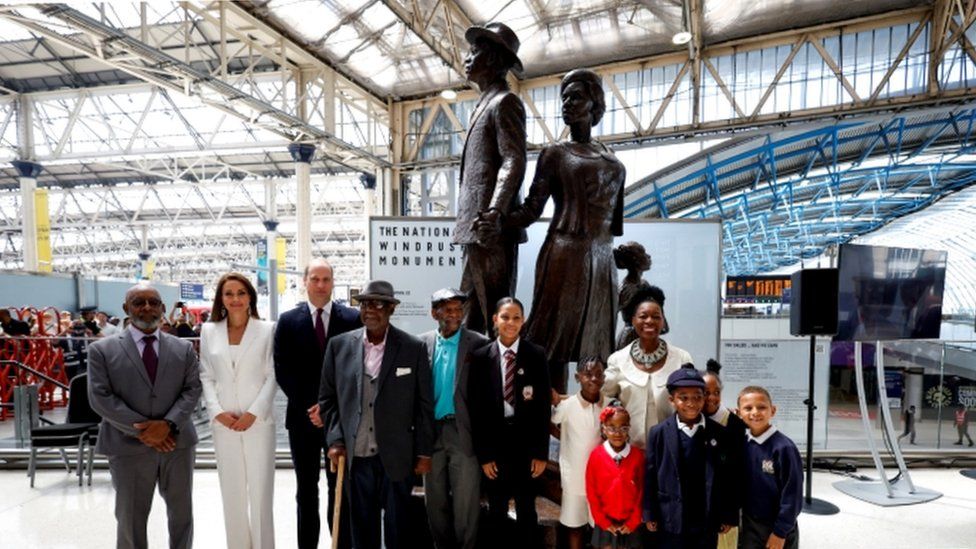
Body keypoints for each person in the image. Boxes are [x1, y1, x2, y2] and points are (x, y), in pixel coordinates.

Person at [507, 68, 625, 391]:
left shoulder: (614, 161)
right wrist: (498, 216)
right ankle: (549, 417)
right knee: (554, 345)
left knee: (597, 345)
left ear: (594, 103)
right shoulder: (554, 154)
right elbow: (532, 208)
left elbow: (615, 225)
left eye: (576, 96)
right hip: (565, 254)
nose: (567, 103)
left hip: (602, 261)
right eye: (565, 98)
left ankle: (596, 422)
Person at [318, 280, 435, 549]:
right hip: (356, 458)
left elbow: (423, 405)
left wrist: (424, 452)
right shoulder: (339, 346)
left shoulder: (412, 348)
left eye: (378, 304)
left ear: (391, 309)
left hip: (397, 457)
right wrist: (335, 439)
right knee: (362, 527)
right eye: (365, 304)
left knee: (398, 528)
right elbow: (327, 399)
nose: (370, 309)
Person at [86, 284, 202, 549]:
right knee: (131, 518)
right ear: (127, 308)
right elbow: (100, 397)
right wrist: (145, 430)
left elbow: (193, 389)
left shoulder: (183, 349)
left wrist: (168, 425)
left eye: (154, 302)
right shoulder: (101, 350)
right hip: (127, 446)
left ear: (162, 308)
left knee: (182, 514)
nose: (147, 307)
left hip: (177, 443)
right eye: (139, 302)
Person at [274, 258, 361, 549]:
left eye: (326, 279)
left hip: (340, 419)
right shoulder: (288, 321)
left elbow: (356, 369)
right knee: (306, 491)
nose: (321, 285)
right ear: (305, 281)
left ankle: (341, 543)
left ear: (333, 282)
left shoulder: (352, 319)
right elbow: (283, 369)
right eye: (315, 279)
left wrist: (329, 408)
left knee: (341, 490)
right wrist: (312, 407)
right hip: (302, 420)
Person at [454, 22, 527, 335]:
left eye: (475, 51)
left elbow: (514, 158)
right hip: (477, 226)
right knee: (470, 309)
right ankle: (473, 378)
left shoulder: (505, 102)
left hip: (490, 227)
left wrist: (496, 211)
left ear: (496, 60)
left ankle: (500, 379)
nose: (468, 58)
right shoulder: (482, 105)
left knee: (497, 314)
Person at [199, 273, 277, 549]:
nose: (235, 299)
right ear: (221, 298)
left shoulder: (267, 329)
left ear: (250, 298)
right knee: (231, 492)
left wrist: (254, 412)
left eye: (241, 293)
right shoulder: (209, 331)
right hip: (224, 423)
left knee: (260, 492)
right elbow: (206, 374)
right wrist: (217, 411)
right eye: (228, 294)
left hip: (257, 423)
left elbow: (272, 375)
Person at [468, 297, 551, 547]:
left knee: (527, 509)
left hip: (526, 447)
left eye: (516, 317)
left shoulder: (536, 355)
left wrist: (540, 453)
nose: (510, 323)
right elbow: (477, 410)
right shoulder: (481, 357)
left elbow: (542, 408)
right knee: (496, 509)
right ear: (495, 320)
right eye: (505, 317)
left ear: (523, 320)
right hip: (495, 447)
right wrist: (484, 455)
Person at [418, 288, 489, 549]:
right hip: (431, 433)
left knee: (466, 502)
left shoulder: (479, 343)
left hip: (463, 432)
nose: (455, 315)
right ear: (434, 312)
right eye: (448, 310)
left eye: (459, 309)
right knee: (434, 500)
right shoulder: (420, 343)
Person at [643, 365, 737, 549]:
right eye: (683, 398)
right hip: (670, 517)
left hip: (706, 518)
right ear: (672, 400)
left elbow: (729, 476)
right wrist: (649, 513)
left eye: (697, 397)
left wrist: (728, 514)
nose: (691, 403)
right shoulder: (658, 433)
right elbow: (650, 476)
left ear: (704, 398)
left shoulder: (719, 433)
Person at [602, 286, 692, 447]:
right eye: (643, 316)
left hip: (671, 448)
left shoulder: (682, 358)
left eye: (656, 317)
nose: (649, 321)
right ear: (633, 320)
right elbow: (604, 401)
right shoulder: (617, 360)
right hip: (629, 450)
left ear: (663, 321)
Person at [551, 356, 608, 549]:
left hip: (600, 480)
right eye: (588, 374)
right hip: (574, 478)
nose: (593, 379)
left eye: (598, 374)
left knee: (598, 526)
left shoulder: (609, 405)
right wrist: (564, 437)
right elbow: (551, 423)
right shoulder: (567, 406)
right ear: (577, 377)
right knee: (575, 526)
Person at [737, 386, 803, 549]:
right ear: (738, 413)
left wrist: (780, 532)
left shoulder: (784, 448)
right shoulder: (742, 444)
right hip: (750, 524)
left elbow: (792, 496)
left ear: (772, 410)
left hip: (777, 527)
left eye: (762, 407)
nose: (755, 412)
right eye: (748, 408)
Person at [585, 402, 644, 549]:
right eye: (612, 428)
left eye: (623, 428)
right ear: (604, 429)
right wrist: (603, 521)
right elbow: (591, 492)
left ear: (629, 429)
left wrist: (633, 521)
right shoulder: (596, 456)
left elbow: (642, 491)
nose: (617, 433)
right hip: (606, 521)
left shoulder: (637, 456)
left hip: (631, 522)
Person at [702, 359, 746, 549]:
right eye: (705, 393)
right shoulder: (692, 419)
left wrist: (730, 513)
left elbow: (738, 474)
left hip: (723, 506)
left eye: (716, 393)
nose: (711, 398)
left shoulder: (734, 424)